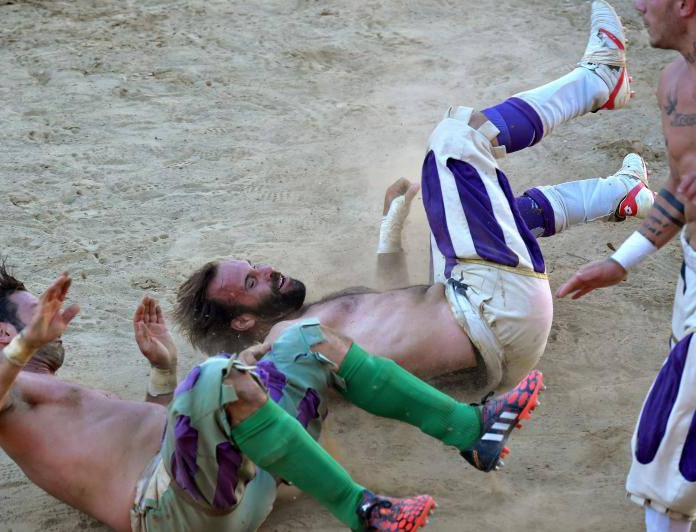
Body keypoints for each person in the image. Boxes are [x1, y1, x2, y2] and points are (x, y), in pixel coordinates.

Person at [175, 1, 652, 392]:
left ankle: (621, 195)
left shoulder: (303, 328)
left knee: (478, 218)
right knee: (456, 137)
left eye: (254, 265)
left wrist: (390, 231)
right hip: (491, 314)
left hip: (489, 325)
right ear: (241, 323)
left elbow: (396, 308)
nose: (266, 270)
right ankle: (599, 80)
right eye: (253, 283)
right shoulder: (288, 347)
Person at [0, 262, 541, 531]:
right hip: (170, 513)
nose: (53, 319)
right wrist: (26, 346)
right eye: (35, 312)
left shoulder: (51, 391)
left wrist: (162, 373)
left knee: (305, 339)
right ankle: (363, 512)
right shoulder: (7, 388)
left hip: (227, 488)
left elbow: (163, 433)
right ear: (6, 334)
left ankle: (470, 431)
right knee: (213, 378)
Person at [556, 0, 696, 529]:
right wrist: (621, 261)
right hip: (691, 280)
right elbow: (681, 190)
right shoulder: (672, 85)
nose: (639, 5)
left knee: (662, 450)